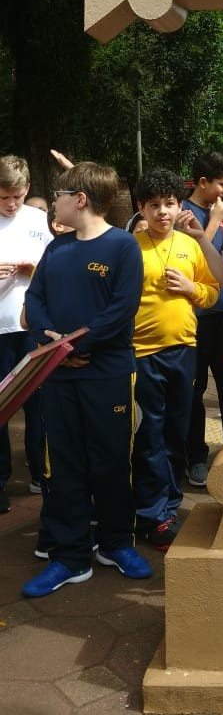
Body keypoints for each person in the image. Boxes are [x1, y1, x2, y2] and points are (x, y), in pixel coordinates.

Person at [22, 162, 151, 597]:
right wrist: (52, 342)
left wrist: (73, 345)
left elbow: (122, 309)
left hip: (107, 373)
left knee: (112, 460)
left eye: (59, 195)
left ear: (79, 200)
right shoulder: (56, 249)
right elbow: (34, 299)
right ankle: (70, 556)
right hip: (58, 376)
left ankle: (116, 543)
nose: (54, 202)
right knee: (64, 465)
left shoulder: (123, 247)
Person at [131, 169, 220, 550]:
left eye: (169, 204)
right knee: (148, 433)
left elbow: (213, 292)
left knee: (175, 432)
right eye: (154, 205)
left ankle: (167, 506)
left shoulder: (190, 245)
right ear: (141, 208)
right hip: (141, 354)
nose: (162, 212)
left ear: (179, 205)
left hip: (184, 350)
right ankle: (152, 514)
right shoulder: (129, 247)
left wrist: (191, 288)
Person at [182, 151, 223, 488]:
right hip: (195, 318)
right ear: (203, 183)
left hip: (222, 315)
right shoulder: (183, 214)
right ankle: (196, 457)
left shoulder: (222, 213)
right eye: (221, 185)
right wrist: (215, 222)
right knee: (195, 391)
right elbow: (193, 261)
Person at [0, 155, 52, 513]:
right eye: (4, 197)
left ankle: (40, 471)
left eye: (17, 196)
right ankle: (1, 478)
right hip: (1, 328)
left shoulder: (38, 220)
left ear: (28, 189)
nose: (11, 204)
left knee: (38, 402)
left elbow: (56, 264)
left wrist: (35, 270)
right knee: (2, 403)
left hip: (33, 325)